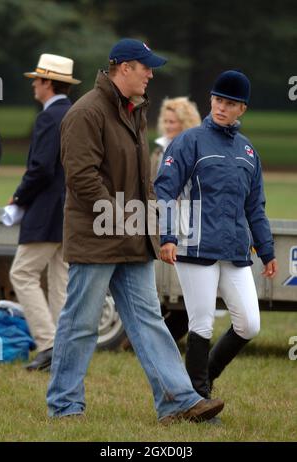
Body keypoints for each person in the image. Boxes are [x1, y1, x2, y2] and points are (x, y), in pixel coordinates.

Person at [46, 38, 224, 424]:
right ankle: (64, 406)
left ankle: (178, 401)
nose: (151, 73)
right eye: (145, 67)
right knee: (80, 323)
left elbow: (143, 181)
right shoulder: (86, 113)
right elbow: (82, 178)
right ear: (124, 67)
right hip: (98, 238)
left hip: (131, 236)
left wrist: (150, 227)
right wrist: (124, 218)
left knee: (149, 321)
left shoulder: (133, 111)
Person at [154, 70, 278, 400]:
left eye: (230, 103)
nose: (222, 107)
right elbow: (164, 189)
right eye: (218, 100)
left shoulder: (248, 151)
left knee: (250, 324)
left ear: (243, 109)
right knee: (202, 323)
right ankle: (197, 398)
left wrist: (267, 250)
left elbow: (255, 205)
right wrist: (167, 235)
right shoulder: (189, 141)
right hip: (194, 247)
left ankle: (200, 380)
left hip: (235, 250)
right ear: (210, 100)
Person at [9, 54, 81, 371]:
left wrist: (18, 197)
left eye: (36, 80)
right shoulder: (77, 114)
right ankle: (62, 350)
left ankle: (49, 343)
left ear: (48, 82)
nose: (34, 86)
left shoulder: (49, 117)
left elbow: (40, 169)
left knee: (21, 274)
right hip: (70, 210)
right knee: (60, 281)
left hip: (47, 210)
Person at [150, 97, 201, 180]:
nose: (167, 126)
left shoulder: (195, 153)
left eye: (171, 122)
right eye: (165, 121)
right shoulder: (157, 152)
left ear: (186, 123)